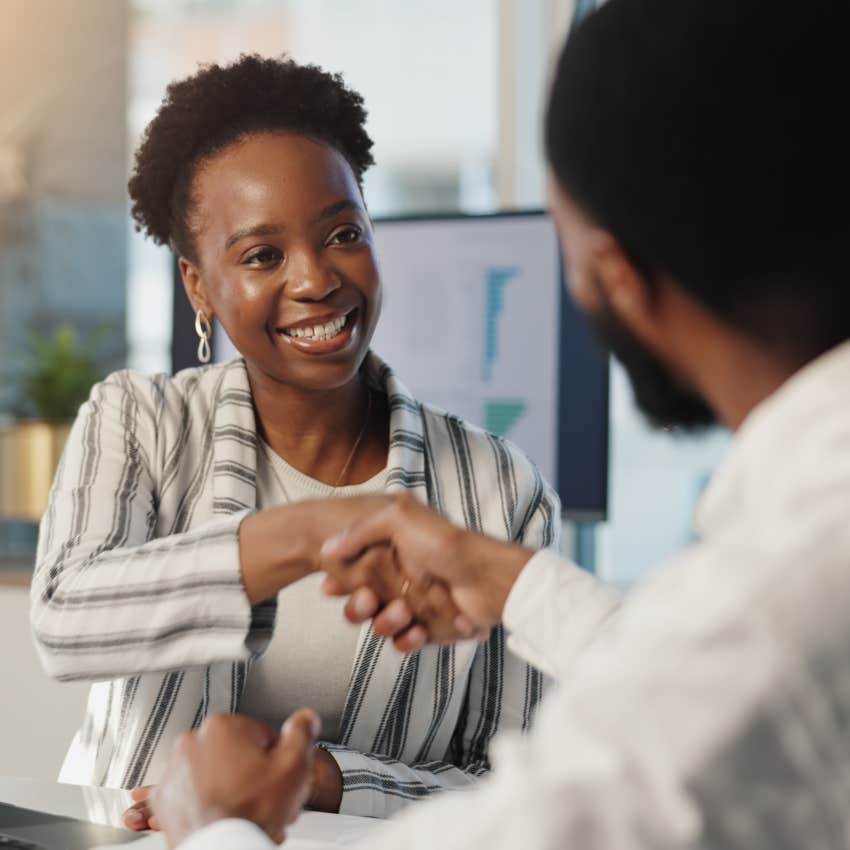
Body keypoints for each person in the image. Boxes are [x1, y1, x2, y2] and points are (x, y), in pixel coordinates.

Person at [142, 0, 850, 847]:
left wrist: (221, 825)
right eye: (261, 254)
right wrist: (520, 585)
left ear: (613, 271)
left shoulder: (768, 604)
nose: (315, 281)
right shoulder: (786, 570)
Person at [28, 56, 573, 821]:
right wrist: (302, 533)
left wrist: (325, 781)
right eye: (262, 256)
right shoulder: (140, 422)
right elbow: (64, 618)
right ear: (197, 284)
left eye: (343, 233)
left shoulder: (497, 489)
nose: (316, 279)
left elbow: (524, 782)